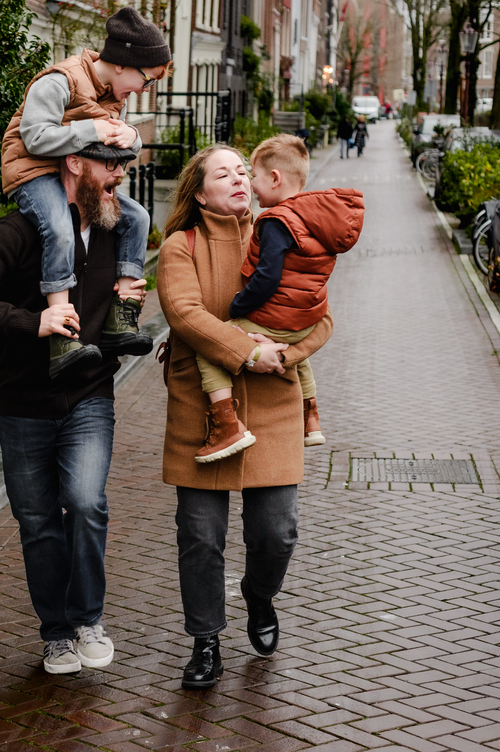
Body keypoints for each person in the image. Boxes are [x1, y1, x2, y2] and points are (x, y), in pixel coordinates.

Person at [0, 142, 147, 675]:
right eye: (110, 165)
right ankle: (55, 634)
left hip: (89, 393)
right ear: (74, 164)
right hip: (22, 400)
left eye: (124, 166)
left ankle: (87, 620)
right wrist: (33, 323)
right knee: (36, 521)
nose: (119, 176)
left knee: (84, 503)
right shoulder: (19, 230)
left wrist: (129, 308)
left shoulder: (118, 229)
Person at [157, 145, 334, 690]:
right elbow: (185, 314)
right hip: (203, 411)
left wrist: (284, 355)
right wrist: (246, 349)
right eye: (223, 172)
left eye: (242, 170)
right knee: (200, 536)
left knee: (277, 533)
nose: (237, 178)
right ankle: (206, 640)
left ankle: (259, 595)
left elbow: (321, 318)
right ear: (200, 189)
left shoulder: (283, 231)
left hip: (275, 405)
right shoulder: (178, 247)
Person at [1, 6, 168, 378]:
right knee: (60, 227)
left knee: (138, 217)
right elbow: (35, 136)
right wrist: (92, 130)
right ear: (125, 63)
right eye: (148, 80)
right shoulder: (59, 81)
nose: (145, 90)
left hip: (77, 174)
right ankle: (63, 336)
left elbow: (114, 141)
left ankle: (120, 316)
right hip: (36, 170)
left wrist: (134, 138)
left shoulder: (114, 92)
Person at [192, 135, 363, 463]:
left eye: (251, 175)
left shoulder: (275, 222)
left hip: (275, 316)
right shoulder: (313, 217)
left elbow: (267, 278)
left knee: (212, 350)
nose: (250, 184)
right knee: (300, 356)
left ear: (274, 178)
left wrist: (239, 306)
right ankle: (310, 416)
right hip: (306, 316)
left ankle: (226, 424)